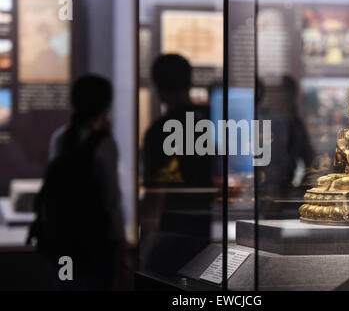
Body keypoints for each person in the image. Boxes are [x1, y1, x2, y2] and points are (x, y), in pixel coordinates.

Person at [28, 75, 126, 290]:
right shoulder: (105, 144)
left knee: (67, 284)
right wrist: (121, 242)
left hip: (62, 240)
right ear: (106, 107)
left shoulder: (60, 138)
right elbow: (111, 199)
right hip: (95, 243)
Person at [140, 55, 213, 275]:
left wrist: (144, 248)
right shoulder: (207, 124)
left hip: (169, 235)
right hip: (202, 231)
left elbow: (155, 196)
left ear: (158, 86)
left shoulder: (159, 131)